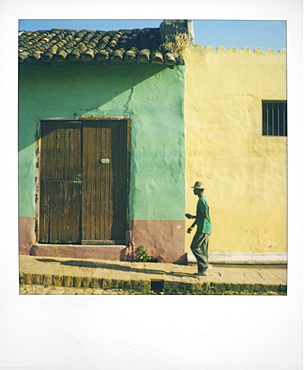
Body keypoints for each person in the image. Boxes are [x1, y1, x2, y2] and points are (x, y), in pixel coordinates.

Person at [185, 181, 212, 276]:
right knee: (203, 249)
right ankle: (203, 271)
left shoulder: (202, 201)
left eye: (195, 189)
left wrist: (192, 217)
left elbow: (205, 215)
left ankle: (205, 266)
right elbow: (200, 215)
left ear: (198, 190)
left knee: (194, 246)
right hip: (204, 227)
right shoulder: (201, 200)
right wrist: (192, 226)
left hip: (203, 228)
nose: (193, 191)